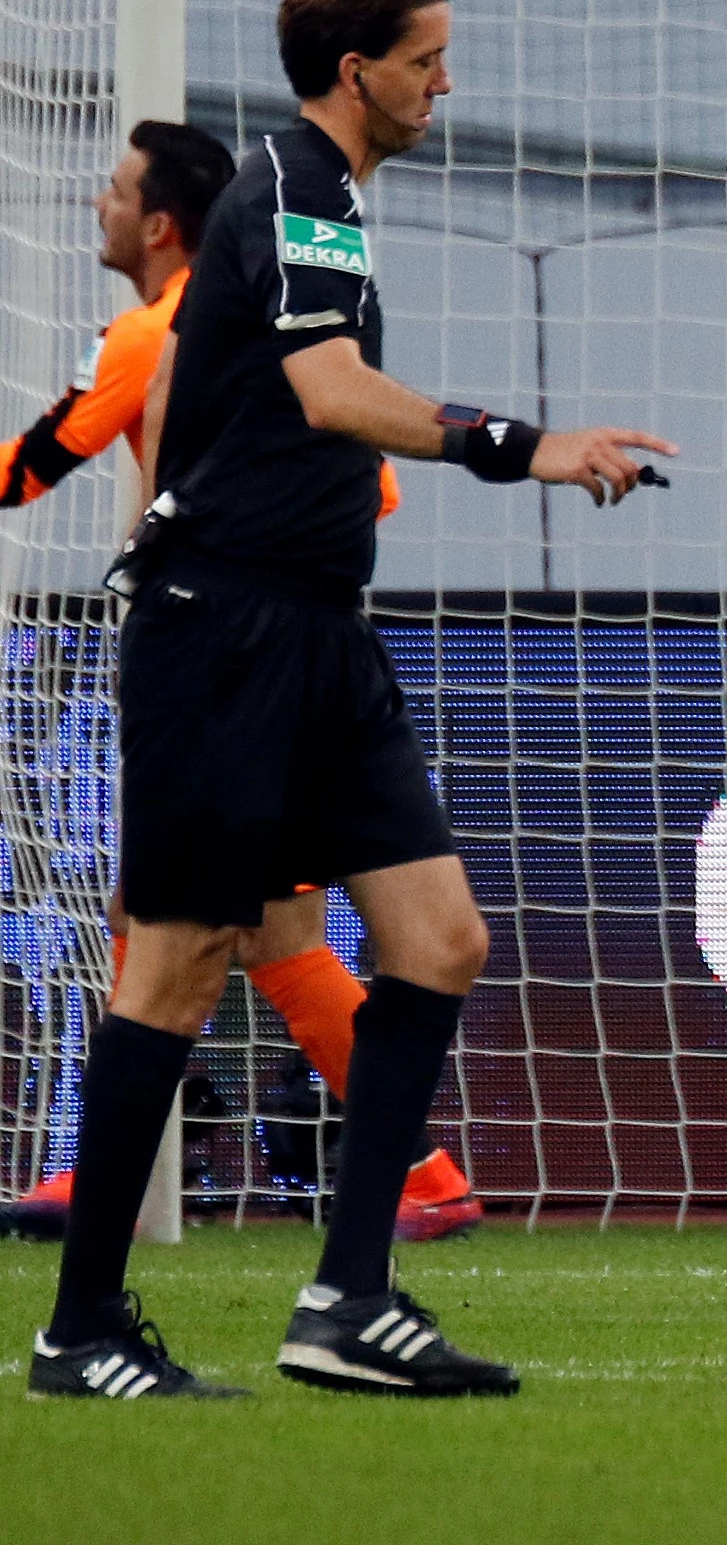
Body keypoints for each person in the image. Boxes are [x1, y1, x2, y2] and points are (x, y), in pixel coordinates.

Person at [26, 0, 673, 1401]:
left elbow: (217, 377)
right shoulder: (301, 188)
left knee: (437, 940)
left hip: (316, 627)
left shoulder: (313, 204)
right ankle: (79, 1330)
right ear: (356, 69)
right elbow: (329, 392)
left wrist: (184, 485)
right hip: (230, 635)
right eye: (430, 58)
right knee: (182, 964)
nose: (448, 82)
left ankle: (349, 1300)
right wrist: (528, 447)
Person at [0, 121, 482, 1250]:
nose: (98, 205)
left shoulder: (150, 333)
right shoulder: (272, 310)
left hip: (229, 652)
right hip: (303, 634)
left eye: (115, 190)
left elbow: (26, 467)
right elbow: (375, 492)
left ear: (163, 224)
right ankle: (415, 1173)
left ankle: (388, 1170)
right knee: (256, 925)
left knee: (195, 923)